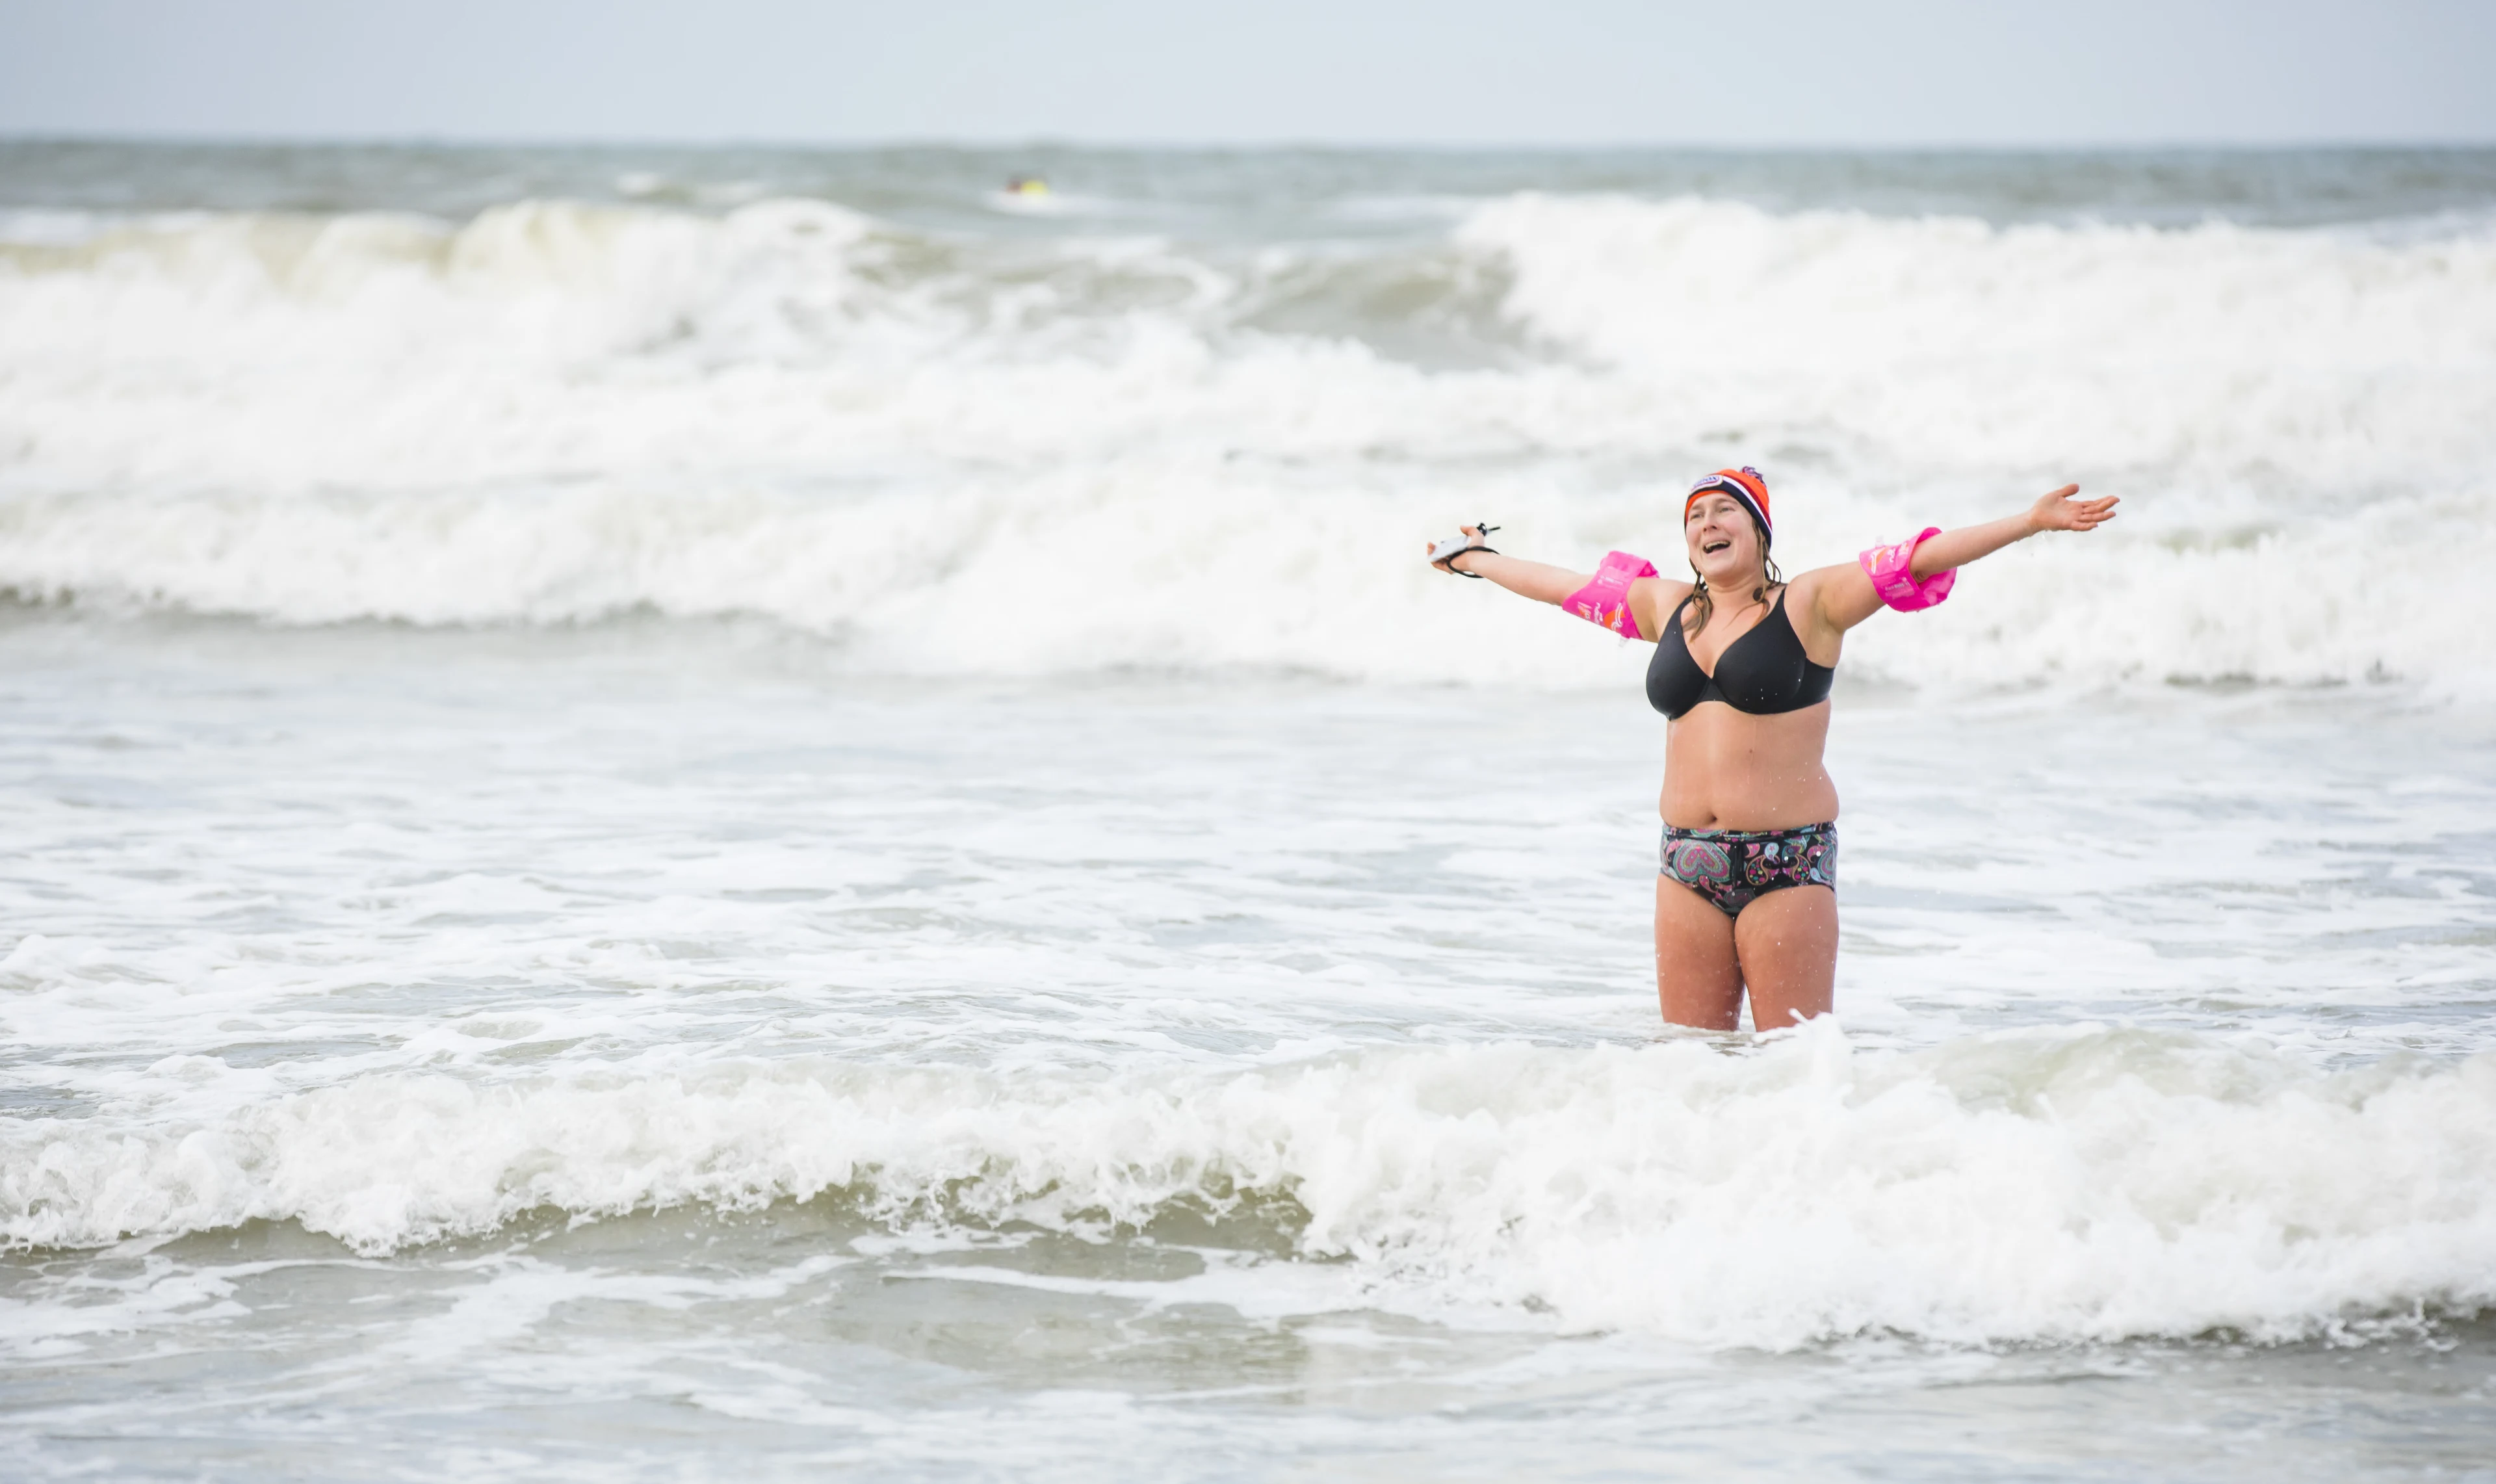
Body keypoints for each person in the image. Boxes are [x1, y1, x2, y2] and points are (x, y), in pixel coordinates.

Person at [1424, 468, 2117, 1032]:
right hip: (1684, 864)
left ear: (1758, 530)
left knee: (1793, 1072)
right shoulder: (1670, 609)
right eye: (1695, 517)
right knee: (1691, 1072)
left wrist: (2029, 523)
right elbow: (1565, 590)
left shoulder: (1810, 603)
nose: (1706, 525)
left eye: (1724, 511)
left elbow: (1919, 558)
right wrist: (1476, 559)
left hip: (1785, 865)